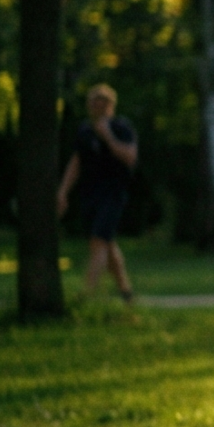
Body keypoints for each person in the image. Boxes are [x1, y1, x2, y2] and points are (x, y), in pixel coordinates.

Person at [56, 83, 138, 302]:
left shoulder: (121, 127)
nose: (97, 110)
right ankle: (126, 292)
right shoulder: (84, 131)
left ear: (111, 106)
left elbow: (130, 157)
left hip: (113, 193)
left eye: (102, 106)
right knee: (107, 243)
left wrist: (108, 136)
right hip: (90, 193)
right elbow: (76, 162)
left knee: (98, 241)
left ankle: (87, 294)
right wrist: (63, 191)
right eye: (94, 105)